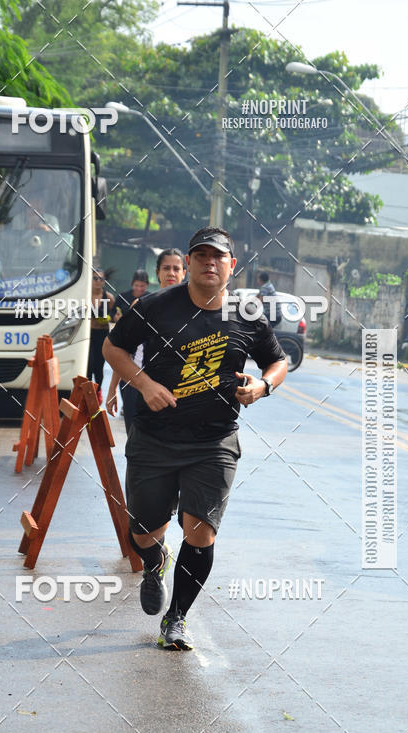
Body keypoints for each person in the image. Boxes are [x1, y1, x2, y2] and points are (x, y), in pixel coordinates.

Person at [102, 227, 288, 651]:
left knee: (201, 531)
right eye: (200, 255)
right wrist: (144, 384)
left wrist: (263, 386)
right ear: (187, 263)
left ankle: (177, 618)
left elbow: (278, 362)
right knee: (145, 531)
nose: (209, 262)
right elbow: (113, 349)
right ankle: (154, 563)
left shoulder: (247, 315)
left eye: (217, 256)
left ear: (231, 265)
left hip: (215, 441)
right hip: (155, 438)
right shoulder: (154, 306)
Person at [106, 249, 187, 432]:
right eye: (166, 268)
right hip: (137, 385)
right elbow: (121, 349)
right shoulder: (143, 305)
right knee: (137, 445)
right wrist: (113, 390)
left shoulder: (192, 308)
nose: (171, 273)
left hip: (179, 388)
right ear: (157, 272)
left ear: (184, 272)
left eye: (176, 268)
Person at [87, 267, 115, 405]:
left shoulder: (109, 298)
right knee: (88, 365)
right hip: (88, 334)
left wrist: (109, 318)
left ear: (105, 281)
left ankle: (98, 392)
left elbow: (115, 317)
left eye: (101, 279)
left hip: (102, 333)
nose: (98, 281)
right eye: (95, 278)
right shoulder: (84, 295)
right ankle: (85, 394)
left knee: (99, 366)